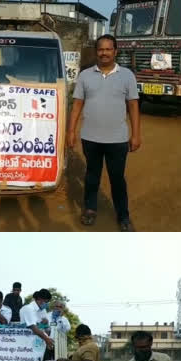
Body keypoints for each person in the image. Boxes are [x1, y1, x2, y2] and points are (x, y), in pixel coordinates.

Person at [68, 34, 141, 232]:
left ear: (115, 51)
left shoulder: (127, 75)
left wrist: (136, 134)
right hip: (90, 138)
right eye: (101, 49)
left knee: (117, 178)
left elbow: (133, 106)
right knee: (92, 175)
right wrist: (71, 131)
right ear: (96, 52)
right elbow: (77, 105)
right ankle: (90, 209)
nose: (104, 53)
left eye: (109, 49)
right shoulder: (85, 76)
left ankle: (123, 215)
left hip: (117, 139)